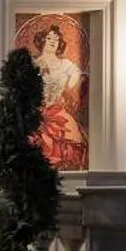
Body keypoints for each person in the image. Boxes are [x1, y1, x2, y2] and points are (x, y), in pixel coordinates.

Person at [30, 24, 89, 171]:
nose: (53, 41)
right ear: (42, 40)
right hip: (37, 113)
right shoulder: (33, 64)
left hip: (58, 111)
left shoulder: (66, 65)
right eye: (49, 38)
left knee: (72, 137)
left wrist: (72, 86)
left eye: (56, 39)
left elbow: (76, 80)